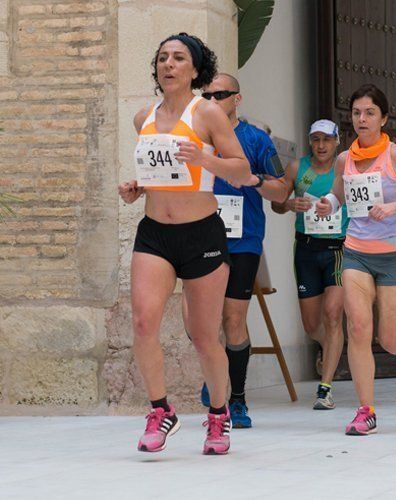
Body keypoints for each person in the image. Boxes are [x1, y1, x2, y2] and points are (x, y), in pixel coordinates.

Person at [118, 33, 257, 454]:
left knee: (202, 336)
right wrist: (136, 187)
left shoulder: (208, 113)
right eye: (163, 57)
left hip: (202, 236)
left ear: (195, 69)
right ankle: (161, 410)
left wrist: (205, 159)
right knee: (143, 322)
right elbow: (158, 173)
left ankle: (219, 414)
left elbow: (241, 169)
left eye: (179, 58)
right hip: (155, 233)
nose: (169, 64)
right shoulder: (143, 116)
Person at [315, 84, 396, 435]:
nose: (362, 119)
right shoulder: (344, 159)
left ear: (383, 118)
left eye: (369, 112)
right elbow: (339, 196)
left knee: (387, 337)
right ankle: (365, 410)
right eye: (356, 113)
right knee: (357, 328)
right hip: (356, 253)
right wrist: (329, 203)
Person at [184, 73, 287, 428]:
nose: (212, 101)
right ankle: (215, 371)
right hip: (201, 236)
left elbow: (281, 192)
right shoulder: (193, 136)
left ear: (237, 99)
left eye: (221, 94)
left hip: (243, 241)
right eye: (206, 95)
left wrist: (255, 180)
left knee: (233, 319)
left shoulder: (256, 140)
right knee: (196, 322)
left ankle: (237, 400)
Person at [272, 119, 349, 409]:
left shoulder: (343, 168)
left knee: (332, 316)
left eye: (326, 140)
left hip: (337, 248)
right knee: (311, 325)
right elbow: (277, 202)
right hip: (305, 248)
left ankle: (325, 388)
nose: (320, 145)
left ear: (336, 141)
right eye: (315, 139)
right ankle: (332, 343)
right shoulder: (298, 169)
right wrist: (288, 204)